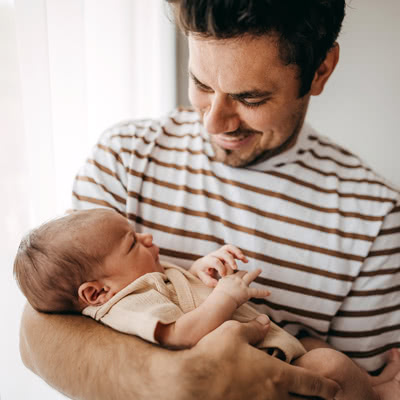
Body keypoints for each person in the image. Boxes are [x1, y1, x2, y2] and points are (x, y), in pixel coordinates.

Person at [19, 1, 400, 399]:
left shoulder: (372, 219)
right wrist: (179, 379)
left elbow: (349, 386)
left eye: (250, 98)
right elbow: (39, 335)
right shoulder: (125, 157)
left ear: (321, 69)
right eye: (201, 84)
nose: (213, 122)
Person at [14, 208, 399, 399]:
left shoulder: (136, 278)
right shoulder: (126, 303)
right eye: (132, 242)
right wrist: (225, 297)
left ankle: (370, 383)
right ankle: (378, 394)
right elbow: (180, 333)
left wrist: (202, 270)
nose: (147, 238)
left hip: (275, 351)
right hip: (262, 369)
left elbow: (180, 292)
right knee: (329, 365)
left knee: (327, 358)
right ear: (97, 294)